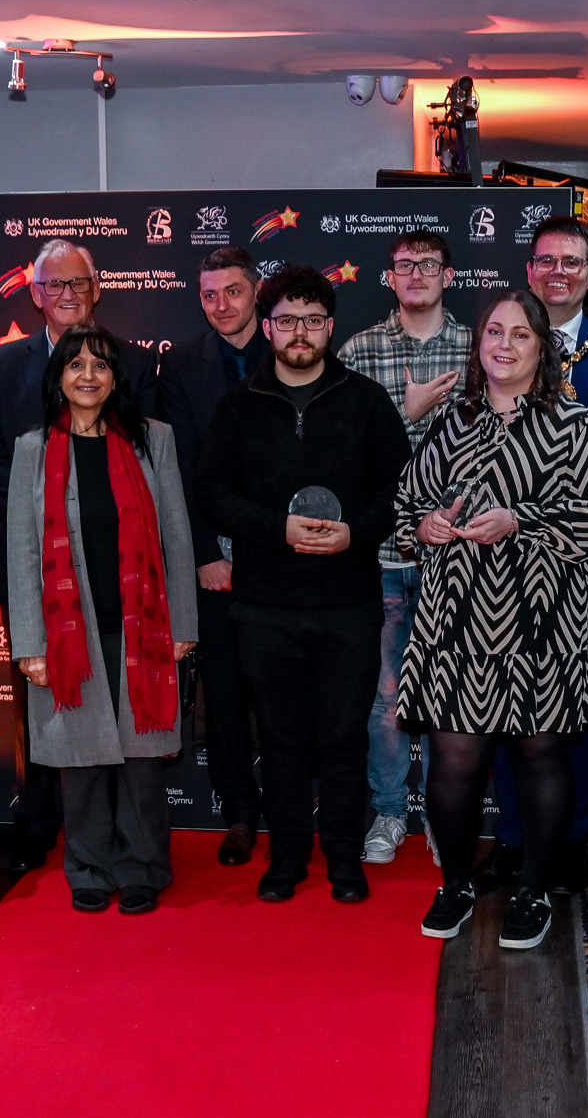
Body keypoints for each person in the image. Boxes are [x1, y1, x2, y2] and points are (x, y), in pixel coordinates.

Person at [401, 289, 588, 948]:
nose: (504, 344)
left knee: (540, 753)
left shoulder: (577, 424)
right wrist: (426, 524)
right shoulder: (451, 420)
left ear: (542, 348)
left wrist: (522, 521)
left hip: (542, 617)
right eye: (494, 332)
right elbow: (408, 501)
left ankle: (534, 887)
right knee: (455, 758)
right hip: (457, 619)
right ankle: (458, 883)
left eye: (520, 334)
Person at [196, 265, 412, 903]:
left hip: (348, 603)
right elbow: (211, 492)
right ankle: (287, 857)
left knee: (345, 737)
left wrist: (358, 534)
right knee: (284, 739)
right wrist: (275, 528)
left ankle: (344, 857)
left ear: (330, 328)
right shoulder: (239, 407)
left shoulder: (367, 401)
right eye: (287, 320)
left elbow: (398, 489)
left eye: (313, 320)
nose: (300, 332)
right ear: (267, 328)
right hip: (265, 607)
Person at [473, 216, 588, 895]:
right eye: (547, 261)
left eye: (573, 262)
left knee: (570, 710)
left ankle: (566, 840)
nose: (559, 272)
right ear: (529, 271)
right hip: (501, 565)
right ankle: (513, 837)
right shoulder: (500, 348)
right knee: (504, 703)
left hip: (584, 565)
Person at [0, 238, 157, 871]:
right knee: (44, 701)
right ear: (35, 295)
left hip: (119, 566)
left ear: (96, 288)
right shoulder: (1, 366)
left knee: (122, 705)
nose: (67, 295)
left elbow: (146, 457)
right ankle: (38, 820)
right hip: (36, 563)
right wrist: (50, 507)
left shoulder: (132, 361)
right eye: (54, 286)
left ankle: (124, 845)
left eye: (77, 283)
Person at [7, 326, 198, 913]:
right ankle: (89, 866)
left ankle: (142, 865)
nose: (88, 375)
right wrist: (31, 642)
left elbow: (176, 534)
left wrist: (185, 624)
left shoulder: (153, 441)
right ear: (58, 378)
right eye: (75, 365)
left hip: (144, 621)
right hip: (71, 630)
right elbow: (21, 549)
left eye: (100, 365)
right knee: (80, 757)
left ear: (116, 378)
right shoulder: (32, 449)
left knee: (142, 759)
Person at [338, 230, 471, 865]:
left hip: (462, 556)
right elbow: (342, 448)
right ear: (388, 277)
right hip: (385, 556)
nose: (415, 274)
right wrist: (408, 411)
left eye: (428, 265)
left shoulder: (479, 348)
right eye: (403, 266)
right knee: (386, 698)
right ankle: (390, 814)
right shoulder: (359, 350)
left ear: (449, 275)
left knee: (455, 696)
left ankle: (447, 819)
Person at [157, 246, 271, 866]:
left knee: (283, 694)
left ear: (255, 292)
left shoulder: (291, 349)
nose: (220, 305)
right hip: (216, 560)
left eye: (231, 291)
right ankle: (239, 815)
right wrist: (205, 553)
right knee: (224, 695)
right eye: (209, 295)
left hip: (285, 558)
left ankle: (287, 811)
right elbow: (181, 472)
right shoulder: (180, 368)